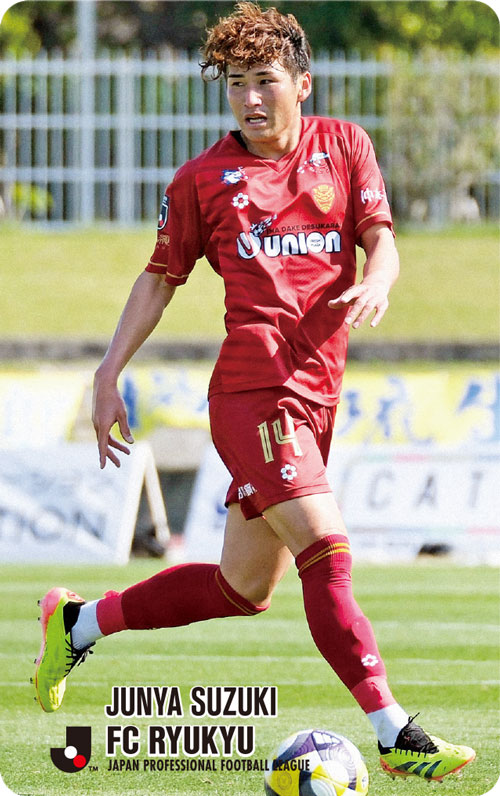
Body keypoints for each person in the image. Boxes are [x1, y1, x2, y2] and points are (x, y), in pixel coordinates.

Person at [34, 2, 475, 782]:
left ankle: (79, 623)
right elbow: (159, 279)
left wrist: (378, 278)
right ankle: (394, 734)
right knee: (327, 551)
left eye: (264, 80)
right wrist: (107, 374)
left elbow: (382, 240)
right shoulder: (202, 180)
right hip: (254, 395)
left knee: (242, 590)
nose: (249, 98)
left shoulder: (346, 147)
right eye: (236, 83)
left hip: (316, 398)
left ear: (303, 83)